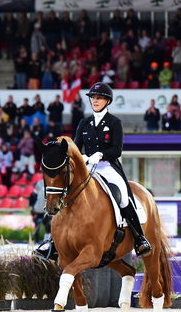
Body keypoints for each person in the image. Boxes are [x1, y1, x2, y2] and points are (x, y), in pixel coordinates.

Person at [36, 82, 151, 260]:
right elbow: (75, 146)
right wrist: (82, 157)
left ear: (107, 101)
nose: (95, 101)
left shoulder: (114, 123)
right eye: (93, 98)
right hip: (86, 166)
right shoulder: (84, 122)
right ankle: (53, 241)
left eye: (99, 98)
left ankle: (139, 237)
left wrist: (100, 155)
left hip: (108, 166)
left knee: (121, 193)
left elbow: (117, 150)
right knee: (66, 193)